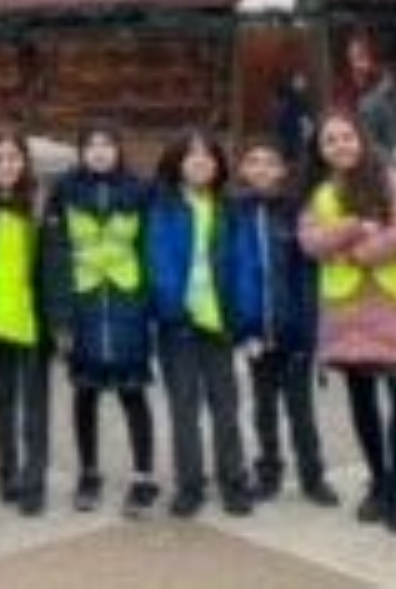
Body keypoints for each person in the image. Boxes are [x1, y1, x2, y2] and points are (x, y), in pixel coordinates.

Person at [300, 110, 396, 544]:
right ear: (320, 150)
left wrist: (355, 253)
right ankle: (381, 482)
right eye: (329, 140)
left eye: (346, 137)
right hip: (347, 311)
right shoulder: (320, 193)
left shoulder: (393, 181)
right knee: (362, 399)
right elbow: (310, 241)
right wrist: (355, 227)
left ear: (361, 139)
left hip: (393, 304)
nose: (339, 146)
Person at [43, 121, 157, 519]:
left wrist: (150, 304)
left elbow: (149, 250)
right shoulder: (64, 191)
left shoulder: (141, 190)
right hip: (84, 303)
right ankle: (89, 471)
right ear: (80, 151)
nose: (99, 151)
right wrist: (60, 317)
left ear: (119, 149)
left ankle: (144, 475)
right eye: (91, 144)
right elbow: (54, 257)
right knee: (84, 393)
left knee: (133, 393)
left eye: (107, 143)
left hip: (128, 303)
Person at [148, 126, 253, 518]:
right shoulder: (162, 206)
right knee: (183, 408)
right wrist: (172, 308)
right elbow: (157, 260)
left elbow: (242, 264)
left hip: (219, 320)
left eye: (208, 155)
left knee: (225, 406)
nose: (200, 161)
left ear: (218, 164)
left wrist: (242, 316)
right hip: (178, 324)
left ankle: (233, 480)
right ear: (177, 162)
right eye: (191, 155)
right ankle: (189, 484)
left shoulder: (229, 207)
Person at [230, 136, 338, 506]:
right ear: (243, 169)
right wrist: (241, 328)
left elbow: (309, 275)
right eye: (253, 161)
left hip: (294, 329)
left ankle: (313, 476)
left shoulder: (296, 212)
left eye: (269, 162)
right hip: (255, 329)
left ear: (282, 170)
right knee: (263, 408)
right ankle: (269, 471)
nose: (261, 168)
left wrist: (310, 329)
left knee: (300, 408)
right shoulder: (233, 212)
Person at [0, 123, 53, 517]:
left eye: (13, 158)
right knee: (2, 403)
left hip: (31, 319)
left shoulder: (39, 207)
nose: (6, 166)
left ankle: (33, 479)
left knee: (34, 407)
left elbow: (52, 266)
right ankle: (7, 473)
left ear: (25, 162)